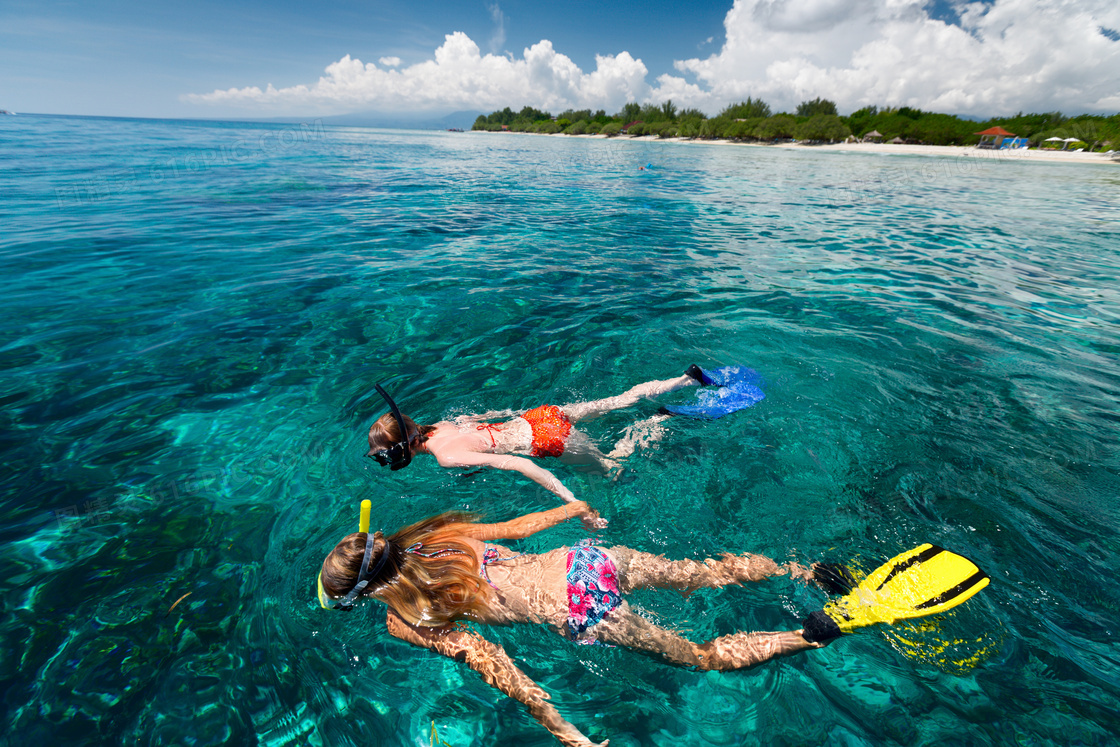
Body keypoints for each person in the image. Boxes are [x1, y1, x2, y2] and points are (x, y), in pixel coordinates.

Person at [317, 501, 834, 747]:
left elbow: (488, 658)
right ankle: (801, 569)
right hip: (583, 559)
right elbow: (517, 528)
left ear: (365, 594)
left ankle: (808, 634)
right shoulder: (439, 534)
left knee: (701, 658)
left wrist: (563, 729)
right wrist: (575, 507)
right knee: (700, 575)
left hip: (582, 609)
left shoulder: (402, 619)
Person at [366, 368, 708, 505]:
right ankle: (685, 379)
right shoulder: (440, 425)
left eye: (387, 455)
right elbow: (485, 419)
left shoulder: (446, 458)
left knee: (612, 468)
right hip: (539, 416)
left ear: (405, 448)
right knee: (618, 400)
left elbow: (515, 462)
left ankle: (655, 423)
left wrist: (569, 499)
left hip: (547, 441)